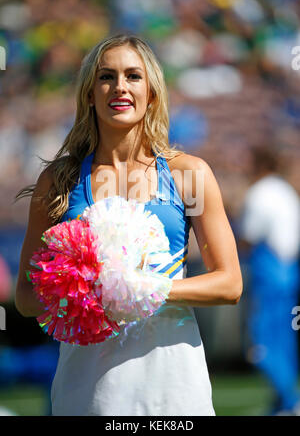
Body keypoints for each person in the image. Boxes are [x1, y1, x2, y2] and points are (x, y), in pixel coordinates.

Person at [15, 34, 243, 416]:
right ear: (90, 93)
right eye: (106, 76)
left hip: (172, 380)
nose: (120, 87)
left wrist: (144, 289)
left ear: (151, 92)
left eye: (133, 76)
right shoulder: (59, 180)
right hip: (87, 385)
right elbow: (24, 295)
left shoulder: (190, 175)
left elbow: (230, 283)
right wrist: (82, 290)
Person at [238, 145, 300, 416]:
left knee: (264, 341)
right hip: (289, 274)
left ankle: (287, 400)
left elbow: (248, 237)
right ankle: (283, 401)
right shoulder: (285, 191)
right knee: (284, 340)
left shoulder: (260, 193)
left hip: (270, 275)